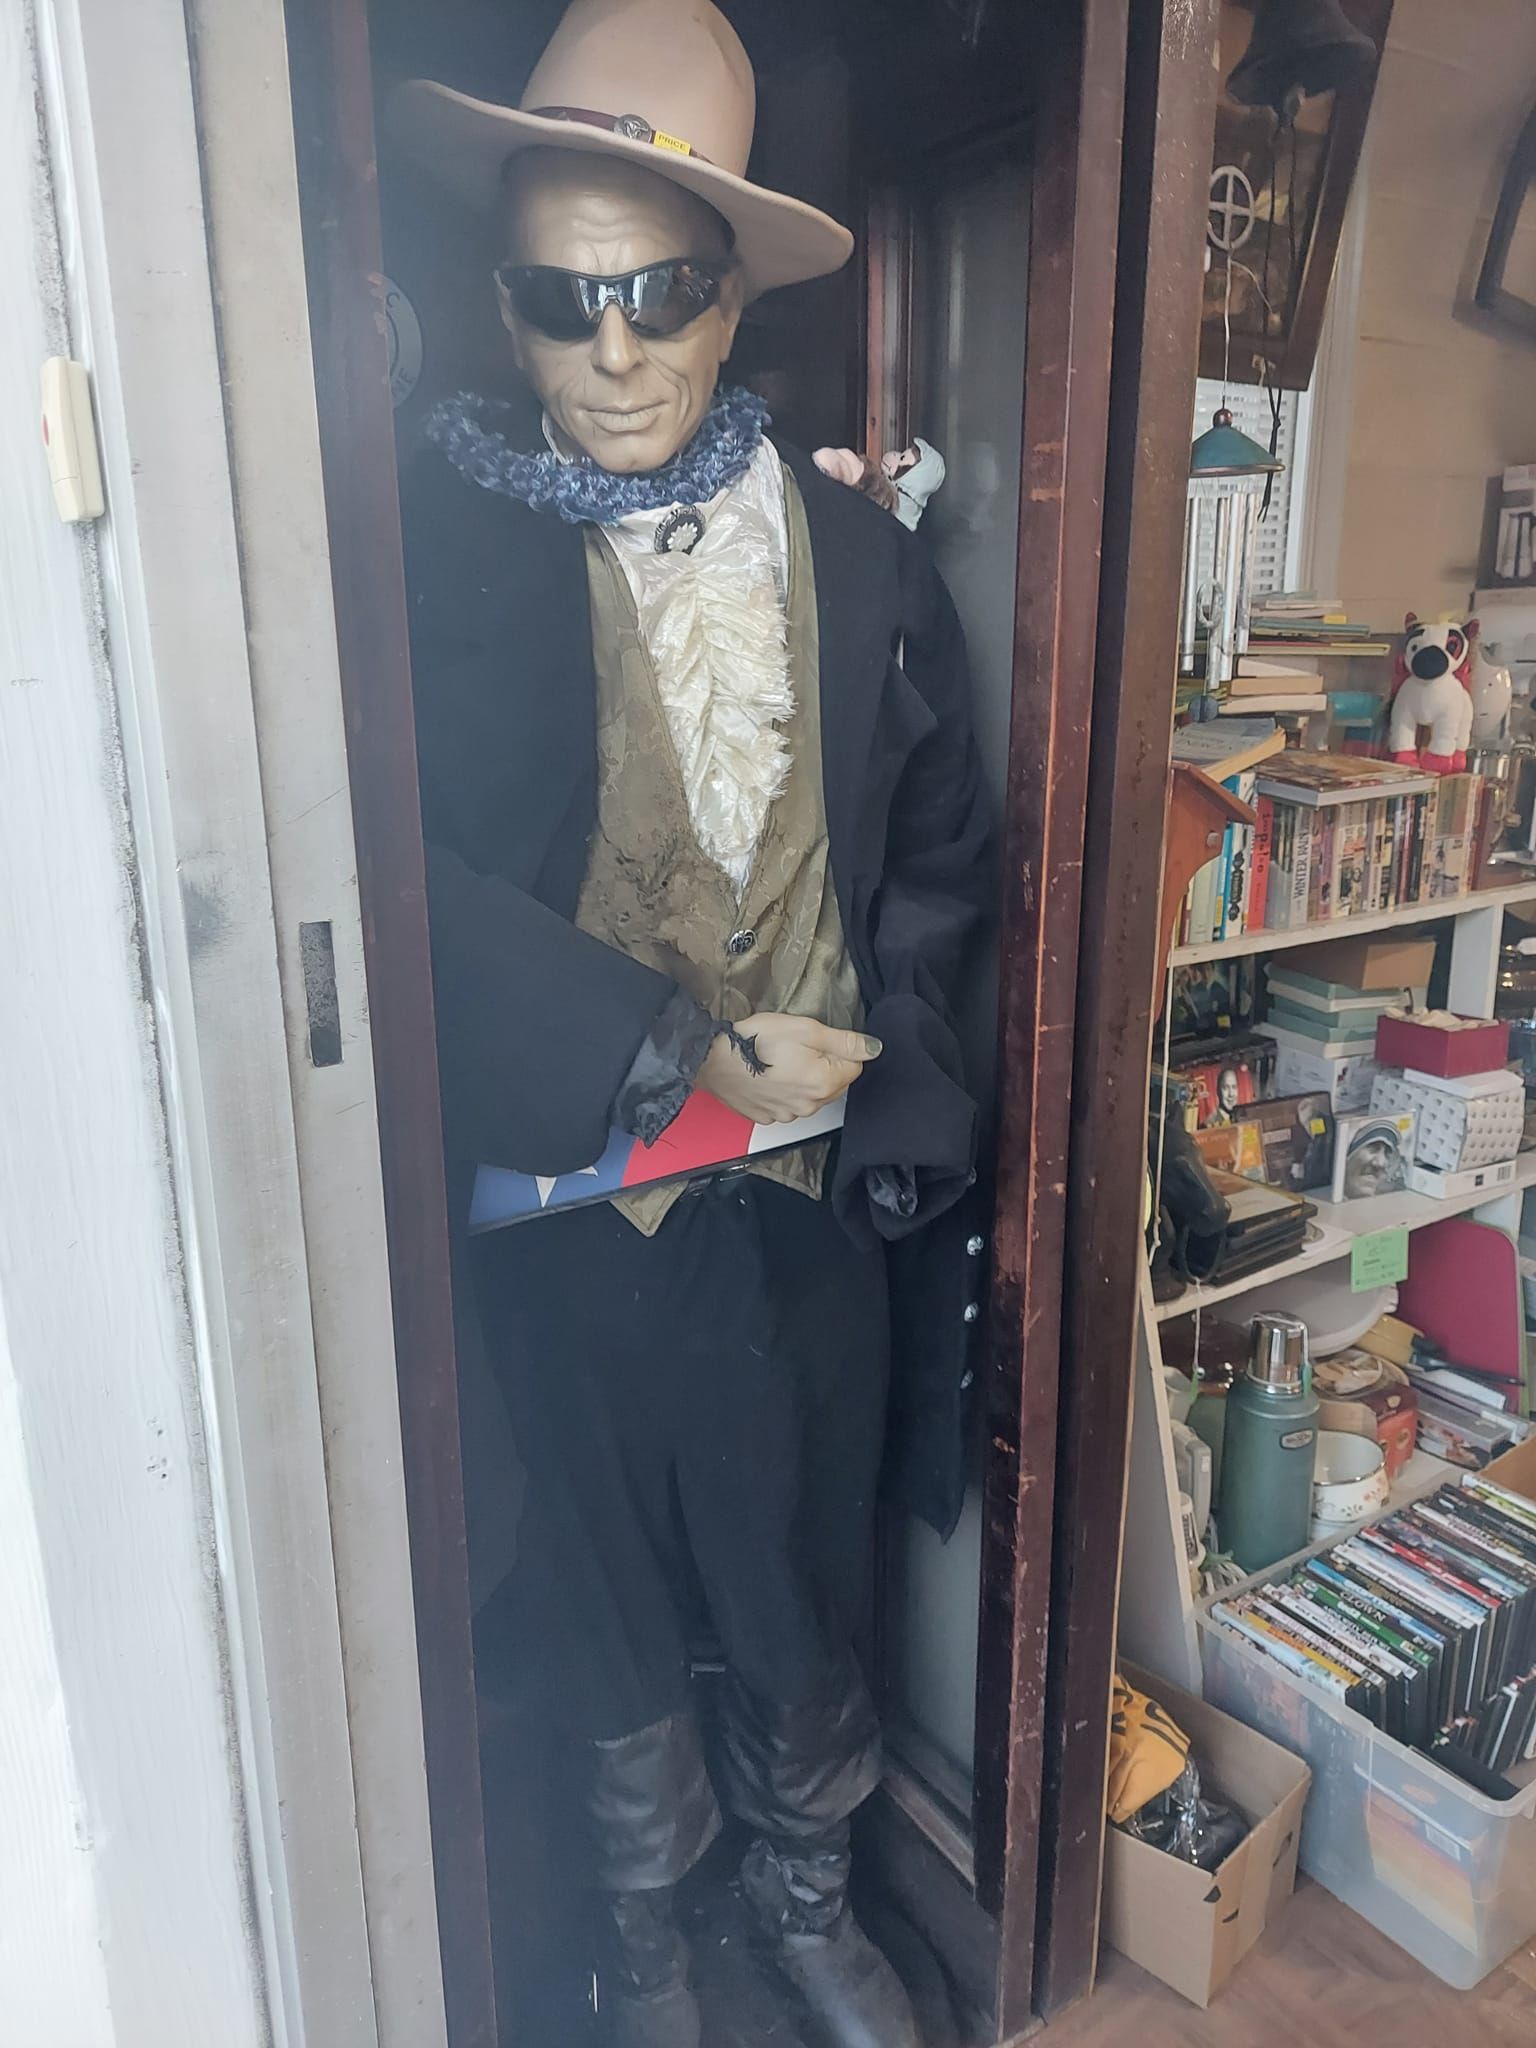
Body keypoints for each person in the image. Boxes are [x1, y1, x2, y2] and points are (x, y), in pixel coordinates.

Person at [392, 5, 991, 2044]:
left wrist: (897, 1057)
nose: (618, 347)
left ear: (733, 296)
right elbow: (382, 867)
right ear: (507, 299)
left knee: (796, 1555)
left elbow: (933, 848)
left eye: (658, 288)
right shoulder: (423, 558)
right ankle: (643, 1945)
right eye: (569, 299)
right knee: (599, 1584)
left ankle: (808, 1898)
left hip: (803, 1199)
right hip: (562, 1190)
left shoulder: (862, 558)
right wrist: (655, 1044)